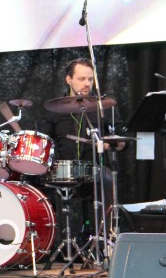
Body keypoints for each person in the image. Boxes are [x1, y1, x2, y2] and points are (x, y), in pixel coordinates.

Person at [39, 58, 123, 247]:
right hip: (63, 169)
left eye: (90, 79)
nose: (87, 84)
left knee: (107, 179)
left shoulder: (104, 106)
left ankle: (104, 241)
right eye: (82, 79)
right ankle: (56, 243)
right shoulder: (54, 109)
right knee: (41, 181)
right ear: (69, 79)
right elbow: (44, 140)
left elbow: (121, 138)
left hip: (96, 167)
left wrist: (112, 143)